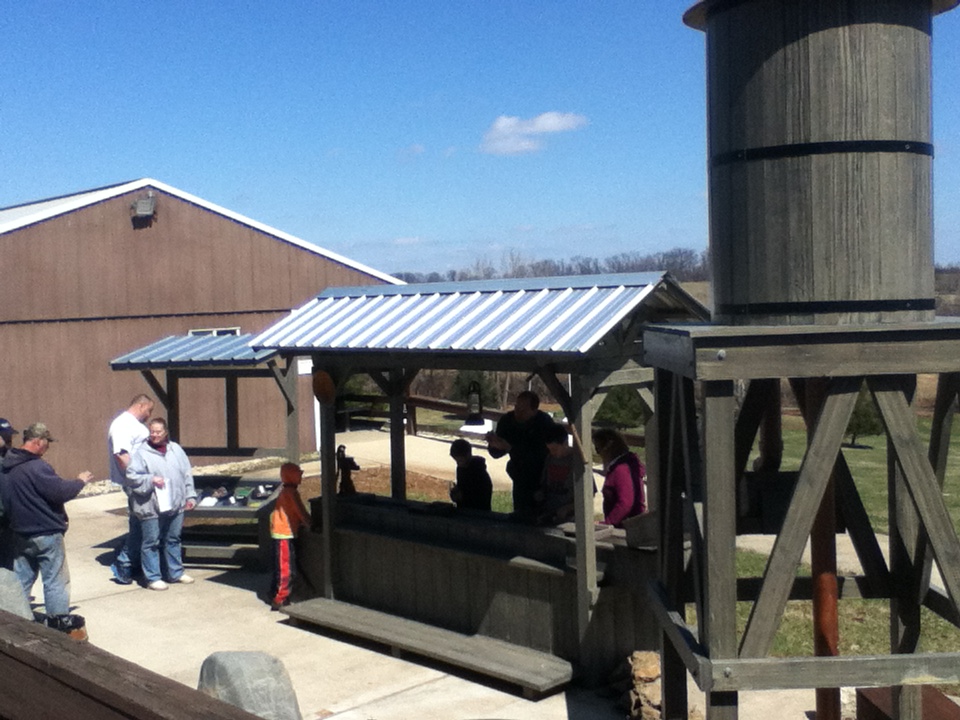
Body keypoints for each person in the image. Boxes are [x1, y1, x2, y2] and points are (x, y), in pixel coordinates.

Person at [0, 423, 94, 617]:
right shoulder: (38, 467)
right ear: (37, 442)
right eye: (47, 443)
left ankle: (14, 620)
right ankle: (57, 625)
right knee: (55, 581)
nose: (48, 447)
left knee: (21, 579)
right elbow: (59, 492)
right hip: (46, 534)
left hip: (20, 533)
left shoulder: (6, 467)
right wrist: (80, 481)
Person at [126, 417, 197, 590]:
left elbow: (187, 473)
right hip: (151, 506)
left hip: (176, 503)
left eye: (158, 431)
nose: (155, 435)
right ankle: (153, 577)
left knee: (173, 539)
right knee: (151, 542)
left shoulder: (176, 449)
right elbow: (131, 476)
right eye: (152, 432)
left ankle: (176, 572)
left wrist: (190, 496)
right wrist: (151, 479)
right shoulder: (141, 453)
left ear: (165, 432)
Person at [485, 390, 554, 522]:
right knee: (519, 514)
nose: (518, 412)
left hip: (541, 477)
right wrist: (494, 444)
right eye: (516, 407)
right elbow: (496, 453)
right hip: (519, 475)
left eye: (523, 410)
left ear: (534, 410)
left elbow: (541, 454)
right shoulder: (507, 421)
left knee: (540, 517)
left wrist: (511, 448)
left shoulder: (543, 423)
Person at [107, 393, 154, 584]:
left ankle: (132, 562)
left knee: (141, 524)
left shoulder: (132, 425)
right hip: (135, 483)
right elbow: (121, 454)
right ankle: (124, 563)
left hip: (143, 481)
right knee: (141, 525)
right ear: (142, 406)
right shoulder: (123, 424)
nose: (149, 415)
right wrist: (136, 478)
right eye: (149, 410)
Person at [269, 463, 311, 611]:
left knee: (282, 567)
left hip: (283, 533)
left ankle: (277, 593)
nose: (301, 476)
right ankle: (279, 598)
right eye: (298, 474)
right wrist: (310, 524)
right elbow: (300, 512)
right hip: (284, 534)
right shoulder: (291, 493)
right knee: (286, 567)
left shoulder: (286, 491)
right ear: (291, 476)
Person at [593, 428, 646, 527]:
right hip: (629, 524)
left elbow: (625, 503)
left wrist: (607, 523)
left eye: (597, 449)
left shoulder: (620, 469)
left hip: (627, 527)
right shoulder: (624, 466)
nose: (597, 453)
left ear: (607, 448)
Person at [535, 423, 577, 525]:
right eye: (549, 449)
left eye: (555, 449)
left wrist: (568, 508)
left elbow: (589, 495)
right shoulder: (550, 459)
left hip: (570, 518)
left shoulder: (576, 461)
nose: (552, 452)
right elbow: (544, 484)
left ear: (565, 443)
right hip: (549, 514)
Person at [448, 438, 493, 512]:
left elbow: (481, 496)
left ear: (468, 455)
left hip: (479, 512)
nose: (458, 463)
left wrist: (462, 496)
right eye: (456, 461)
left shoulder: (479, 471)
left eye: (460, 460)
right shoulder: (461, 468)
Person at [0, 418, 18, 568]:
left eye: (10, 438)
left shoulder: (10, 457)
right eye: (5, 438)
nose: (9, 441)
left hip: (10, 522)